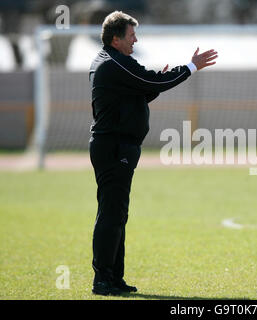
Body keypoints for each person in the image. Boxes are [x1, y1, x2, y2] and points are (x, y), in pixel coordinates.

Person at [89, 11, 218, 296]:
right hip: (114, 148)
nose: (135, 39)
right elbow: (152, 83)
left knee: (117, 213)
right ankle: (102, 279)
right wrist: (191, 67)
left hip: (117, 147)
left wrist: (154, 84)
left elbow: (142, 90)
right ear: (116, 39)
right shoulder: (114, 63)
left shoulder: (113, 62)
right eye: (131, 35)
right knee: (112, 213)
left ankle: (114, 278)